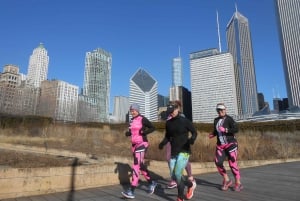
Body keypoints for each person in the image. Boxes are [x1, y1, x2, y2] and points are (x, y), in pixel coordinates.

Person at [159, 103, 197, 201]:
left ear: (177, 110)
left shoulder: (185, 121)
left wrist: (192, 139)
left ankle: (180, 197)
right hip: (174, 151)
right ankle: (190, 184)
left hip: (184, 150)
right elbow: (168, 136)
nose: (171, 114)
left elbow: (194, 132)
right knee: (174, 176)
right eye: (169, 112)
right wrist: (162, 143)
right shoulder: (168, 123)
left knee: (178, 173)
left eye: (172, 112)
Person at [121, 103, 157, 199]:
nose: (132, 112)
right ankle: (151, 182)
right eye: (131, 110)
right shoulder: (131, 120)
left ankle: (131, 190)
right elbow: (132, 131)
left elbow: (153, 127)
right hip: (134, 145)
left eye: (133, 110)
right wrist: (128, 133)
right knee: (140, 166)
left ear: (137, 110)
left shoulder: (142, 119)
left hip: (142, 144)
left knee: (136, 166)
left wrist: (144, 132)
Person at [208, 103, 243, 191]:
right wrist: (213, 134)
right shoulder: (215, 120)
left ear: (225, 110)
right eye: (218, 110)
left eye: (222, 109)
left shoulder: (229, 119)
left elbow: (236, 129)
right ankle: (227, 179)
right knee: (218, 162)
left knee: (232, 163)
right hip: (220, 145)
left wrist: (226, 130)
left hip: (231, 144)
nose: (220, 111)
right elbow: (216, 131)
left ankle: (238, 183)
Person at [165, 101, 194, 189]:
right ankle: (174, 179)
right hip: (170, 141)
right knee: (168, 158)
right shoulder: (169, 116)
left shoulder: (182, 117)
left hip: (180, 142)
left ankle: (190, 177)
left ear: (178, 108)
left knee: (183, 160)